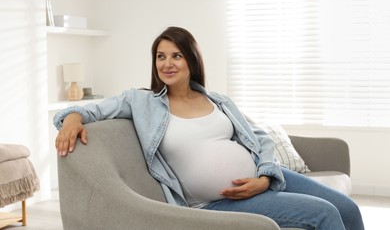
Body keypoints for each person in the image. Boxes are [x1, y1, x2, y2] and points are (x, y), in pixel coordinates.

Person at [54, 26, 364, 230]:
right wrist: (71, 119)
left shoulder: (216, 100)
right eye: (161, 56)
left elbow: (259, 138)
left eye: (176, 55)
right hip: (220, 201)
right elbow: (88, 108)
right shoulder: (142, 101)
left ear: (191, 60)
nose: (167, 63)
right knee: (324, 214)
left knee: (347, 208)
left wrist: (266, 175)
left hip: (265, 179)